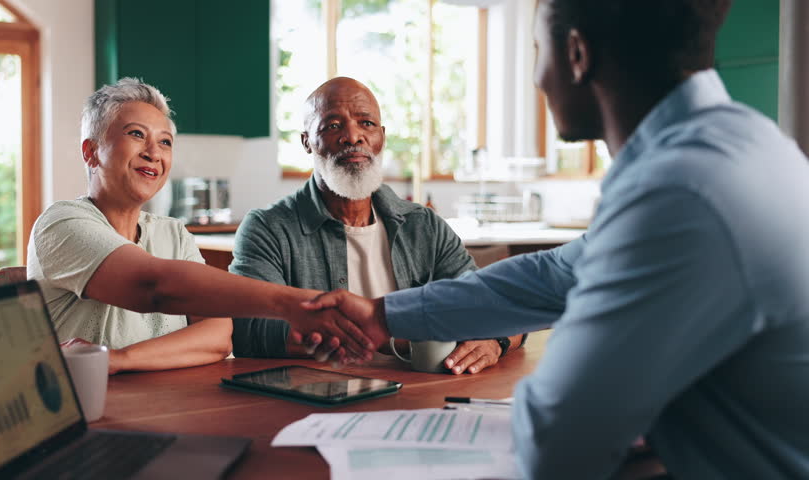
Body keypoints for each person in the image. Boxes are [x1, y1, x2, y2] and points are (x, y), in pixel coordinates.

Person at [292, 1, 809, 478]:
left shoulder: (680, 190)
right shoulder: (742, 144)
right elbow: (555, 276)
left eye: (539, 50)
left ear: (578, 55)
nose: (538, 77)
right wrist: (383, 316)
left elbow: (558, 442)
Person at [27, 78, 370, 375]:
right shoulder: (61, 223)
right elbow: (152, 286)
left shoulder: (172, 233)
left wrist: (118, 359)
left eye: (165, 142)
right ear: (91, 152)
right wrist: (293, 304)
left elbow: (217, 335)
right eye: (136, 135)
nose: (153, 153)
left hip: (169, 407)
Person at [230, 77, 524, 374]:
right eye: (333, 126)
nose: (353, 137)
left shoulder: (425, 227)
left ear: (381, 137)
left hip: (418, 395)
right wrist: (390, 336)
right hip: (316, 399)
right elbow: (249, 329)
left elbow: (493, 307)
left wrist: (494, 342)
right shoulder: (267, 229)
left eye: (366, 124)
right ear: (307, 142)